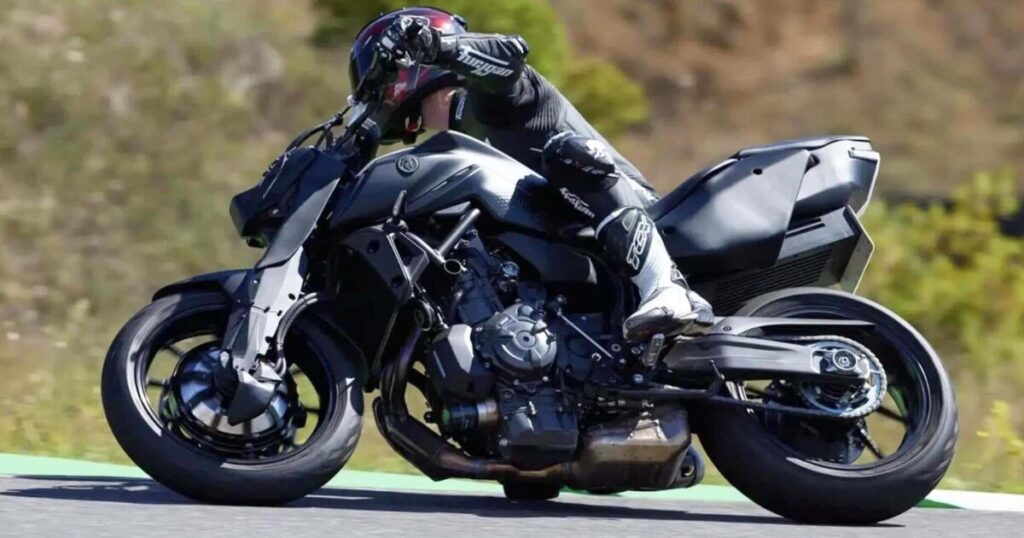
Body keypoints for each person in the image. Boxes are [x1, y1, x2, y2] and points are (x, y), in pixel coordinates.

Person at [348, 7, 713, 342]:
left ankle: (667, 287)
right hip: (574, 254)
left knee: (566, 155)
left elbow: (511, 54)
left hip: (635, 217)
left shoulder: (491, 99)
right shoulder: (450, 152)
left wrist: (434, 45)